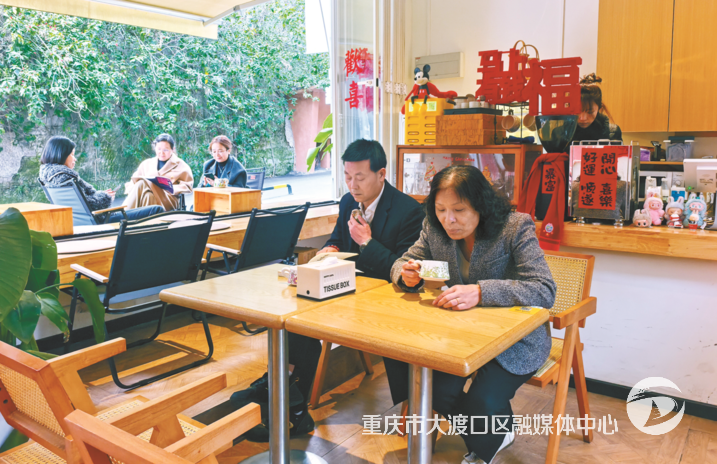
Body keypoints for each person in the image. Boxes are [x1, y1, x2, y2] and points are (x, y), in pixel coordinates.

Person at [232, 139, 425, 442]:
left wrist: (366, 242)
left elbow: (404, 273)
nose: (352, 185)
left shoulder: (409, 211)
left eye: (359, 177)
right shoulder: (348, 202)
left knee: (309, 318)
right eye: (347, 176)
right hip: (346, 290)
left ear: (381, 174)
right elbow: (336, 239)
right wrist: (326, 252)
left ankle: (285, 394)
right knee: (296, 313)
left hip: (386, 302)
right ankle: (288, 395)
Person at [393, 165, 556, 464]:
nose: (449, 219)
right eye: (441, 209)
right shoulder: (434, 227)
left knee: (483, 400)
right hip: (460, 336)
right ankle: (498, 431)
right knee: (434, 391)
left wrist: (481, 292)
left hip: (514, 340)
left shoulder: (514, 227)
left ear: (480, 205)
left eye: (459, 210)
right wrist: (407, 275)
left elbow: (544, 289)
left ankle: (484, 445)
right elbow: (404, 261)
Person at [38, 136, 164, 223]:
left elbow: (83, 203)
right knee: (156, 209)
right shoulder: (67, 178)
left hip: (81, 223)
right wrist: (106, 197)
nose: (75, 159)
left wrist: (102, 194)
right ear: (60, 155)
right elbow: (90, 205)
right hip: (101, 221)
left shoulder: (50, 179)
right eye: (72, 154)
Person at [123, 134, 194, 211]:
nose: (162, 153)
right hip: (150, 197)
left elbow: (188, 186)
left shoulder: (181, 165)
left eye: (166, 150)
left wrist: (170, 188)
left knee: (142, 183)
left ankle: (122, 214)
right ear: (155, 148)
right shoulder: (146, 164)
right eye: (159, 149)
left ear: (172, 149)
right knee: (148, 195)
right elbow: (132, 183)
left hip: (168, 199)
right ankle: (144, 219)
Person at [571, 73, 622, 146]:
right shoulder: (559, 133)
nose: (583, 118)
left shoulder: (613, 132)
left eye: (590, 112)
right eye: (578, 111)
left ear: (599, 108)